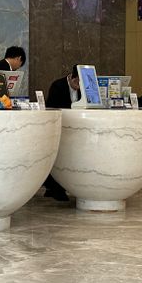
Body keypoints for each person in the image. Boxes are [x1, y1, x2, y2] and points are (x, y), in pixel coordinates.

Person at [43, 66, 80, 200]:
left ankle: (56, 187)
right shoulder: (58, 86)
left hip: (74, 127)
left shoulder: (83, 90)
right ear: (71, 78)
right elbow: (52, 107)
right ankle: (54, 188)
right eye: (77, 83)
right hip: (59, 125)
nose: (78, 87)